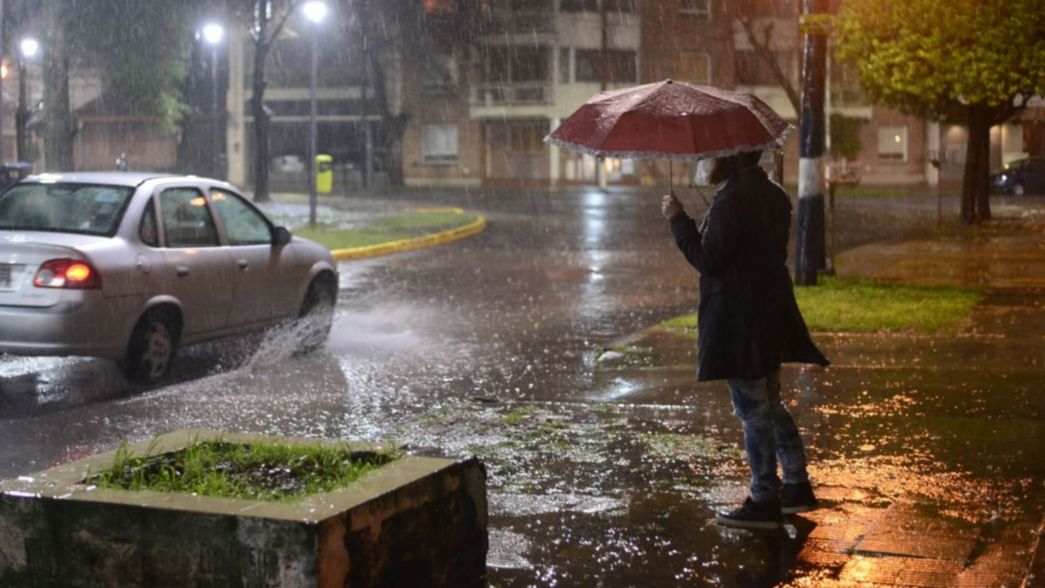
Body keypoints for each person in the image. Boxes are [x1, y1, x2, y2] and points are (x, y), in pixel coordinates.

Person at [661, 149, 829, 530]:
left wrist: (678, 220)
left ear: (729, 158)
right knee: (769, 402)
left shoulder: (733, 200)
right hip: (769, 311)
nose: (704, 163)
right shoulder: (771, 193)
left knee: (753, 410)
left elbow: (709, 261)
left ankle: (764, 497)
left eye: (711, 156)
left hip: (741, 318)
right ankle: (797, 483)